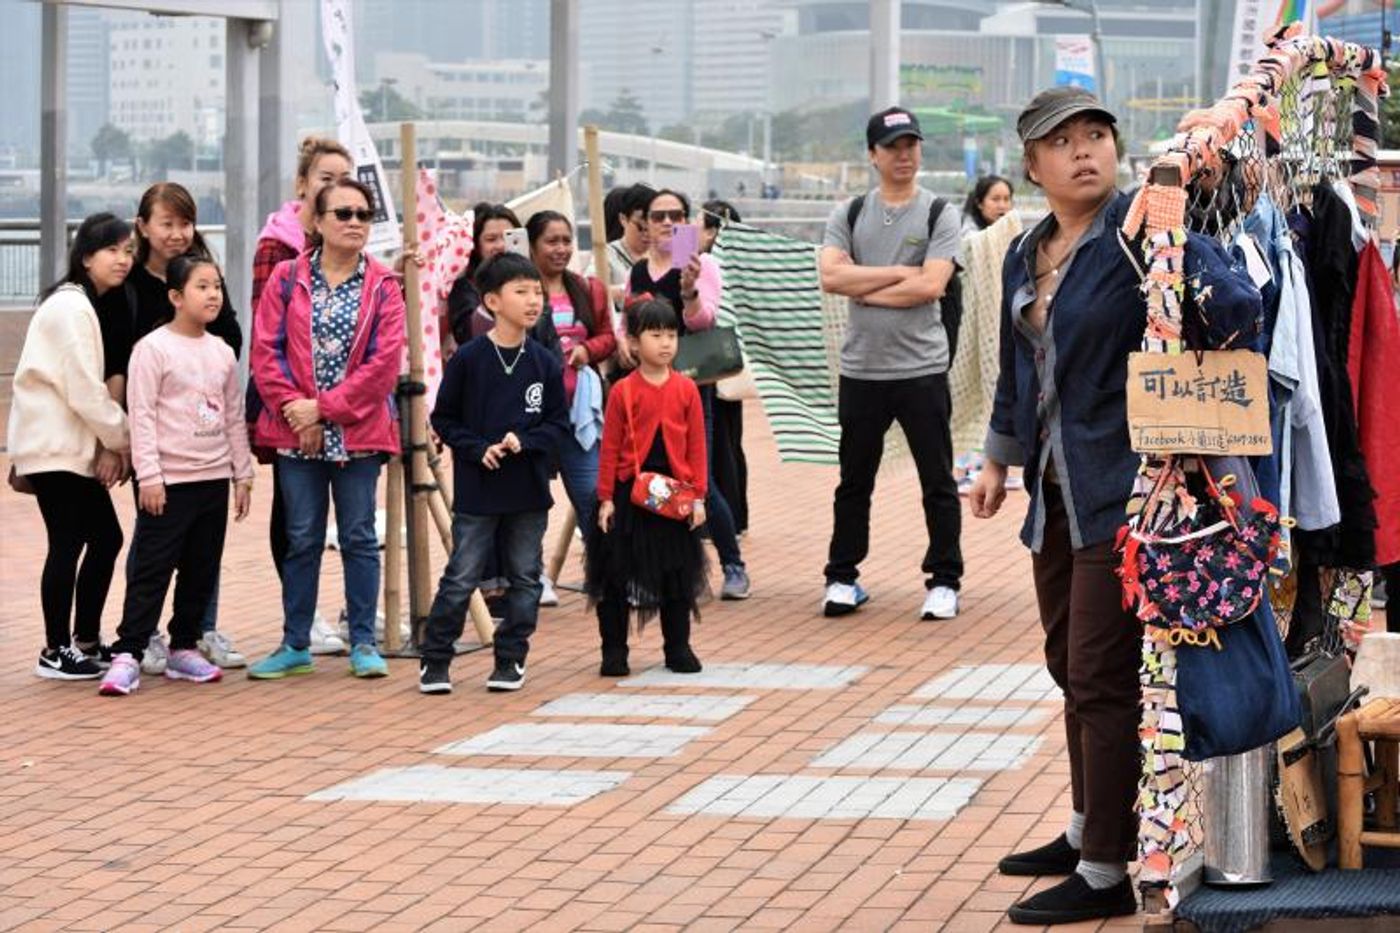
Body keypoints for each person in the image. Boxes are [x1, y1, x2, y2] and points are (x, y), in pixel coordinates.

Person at [969, 87, 1260, 926]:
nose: (1084, 151)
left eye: (1096, 135)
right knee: (1068, 664)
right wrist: (997, 457)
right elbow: (1018, 367)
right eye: (1063, 142)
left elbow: (1239, 306)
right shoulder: (1026, 250)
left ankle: (1104, 866)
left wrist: (1190, 236)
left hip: (1132, 491)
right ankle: (1083, 826)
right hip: (1055, 489)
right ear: (1033, 165)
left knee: (1101, 672)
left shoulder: (1143, 230)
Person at [247, 177, 406, 681]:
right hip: (296, 431)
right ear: (316, 221)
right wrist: (295, 409)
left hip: (358, 433)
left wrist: (325, 410)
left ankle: (363, 642)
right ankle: (296, 643)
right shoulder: (287, 278)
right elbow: (265, 351)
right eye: (343, 213)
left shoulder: (384, 285)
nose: (355, 222)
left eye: (363, 214)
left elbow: (383, 366)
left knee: (359, 536)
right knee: (301, 538)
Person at [818, 106, 963, 621]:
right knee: (853, 482)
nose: (904, 155)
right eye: (892, 147)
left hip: (922, 369)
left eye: (911, 145)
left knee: (937, 481)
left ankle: (944, 580)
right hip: (861, 371)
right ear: (873, 155)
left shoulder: (940, 211)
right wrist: (900, 275)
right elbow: (831, 278)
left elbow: (932, 285)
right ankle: (841, 577)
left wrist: (864, 285)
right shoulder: (850, 212)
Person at [98, 255, 255, 696]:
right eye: (202, 287)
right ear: (175, 296)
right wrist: (149, 477)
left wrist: (242, 474)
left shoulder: (221, 352)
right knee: (152, 570)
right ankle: (129, 652)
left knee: (200, 569)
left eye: (217, 286)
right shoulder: (152, 349)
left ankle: (184, 647)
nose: (213, 295)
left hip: (212, 479)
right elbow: (142, 416)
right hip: (168, 482)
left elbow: (233, 416)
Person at [418, 253, 570, 695]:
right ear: (492, 301)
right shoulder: (469, 359)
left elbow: (557, 424)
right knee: (462, 576)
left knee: (525, 578)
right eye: (521, 291)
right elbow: (444, 419)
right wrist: (477, 448)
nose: (533, 300)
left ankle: (510, 658)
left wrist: (526, 441)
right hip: (478, 490)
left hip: (528, 491)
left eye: (537, 291)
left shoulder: (544, 362)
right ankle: (435, 659)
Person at [124, 182, 246, 672]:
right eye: (167, 223)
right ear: (143, 227)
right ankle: (138, 640)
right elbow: (128, 380)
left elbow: (230, 347)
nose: (177, 233)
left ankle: (190, 637)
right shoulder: (130, 285)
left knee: (201, 555)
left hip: (207, 452)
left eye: (186, 223)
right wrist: (140, 462)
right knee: (153, 549)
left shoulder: (205, 278)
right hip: (158, 448)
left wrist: (242, 472)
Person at [10, 213, 133, 680]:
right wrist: (123, 439)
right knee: (69, 542)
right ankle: (55, 649)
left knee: (102, 538)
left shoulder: (79, 304)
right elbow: (84, 389)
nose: (122, 260)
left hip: (60, 446)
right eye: (111, 250)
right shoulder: (71, 308)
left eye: (128, 251)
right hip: (55, 447)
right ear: (86, 257)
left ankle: (81, 641)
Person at [248, 136, 355, 656]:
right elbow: (268, 335)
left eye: (345, 180)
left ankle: (353, 612)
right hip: (288, 401)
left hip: (342, 402)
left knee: (352, 518)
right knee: (294, 511)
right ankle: (302, 615)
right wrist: (300, 410)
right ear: (302, 185)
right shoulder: (279, 245)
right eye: (325, 179)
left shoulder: (351, 237)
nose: (335, 189)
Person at [627, 188, 751, 601]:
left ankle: (733, 566)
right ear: (644, 223)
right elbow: (630, 321)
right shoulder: (639, 270)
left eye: (676, 215)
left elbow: (704, 322)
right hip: (648, 389)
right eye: (658, 216)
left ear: (686, 221)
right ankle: (683, 570)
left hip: (692, 387)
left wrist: (689, 291)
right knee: (655, 479)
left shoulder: (698, 264)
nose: (667, 222)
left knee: (699, 481)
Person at [587, 298, 710, 676]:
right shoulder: (622, 390)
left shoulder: (687, 388)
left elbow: (696, 445)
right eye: (655, 335)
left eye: (671, 334)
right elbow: (609, 447)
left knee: (677, 575)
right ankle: (614, 651)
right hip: (629, 492)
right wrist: (605, 498)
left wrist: (699, 495)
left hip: (674, 495)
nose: (666, 343)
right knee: (615, 576)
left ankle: (678, 648)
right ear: (634, 343)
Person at [526, 209, 616, 552]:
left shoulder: (588, 288)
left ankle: (606, 572)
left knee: (592, 499)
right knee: (529, 508)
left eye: (567, 241)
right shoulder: (521, 291)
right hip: (534, 418)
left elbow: (608, 337)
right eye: (552, 241)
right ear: (532, 245)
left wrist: (587, 350)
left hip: (580, 416)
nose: (561, 249)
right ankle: (531, 574)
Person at [701, 199, 750, 535]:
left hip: (711, 359)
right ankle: (737, 518)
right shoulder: (741, 263)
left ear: (713, 230)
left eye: (697, 225)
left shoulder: (708, 263)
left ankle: (725, 520)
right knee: (732, 441)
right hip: (732, 358)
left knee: (718, 443)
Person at [447, 203, 521, 346]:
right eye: (491, 239)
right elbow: (468, 336)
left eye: (508, 237)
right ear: (476, 245)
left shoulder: (534, 283)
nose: (501, 245)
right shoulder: (464, 289)